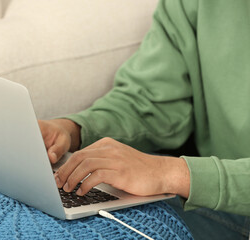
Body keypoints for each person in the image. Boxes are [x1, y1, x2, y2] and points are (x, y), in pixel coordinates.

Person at [38, 0, 250, 239]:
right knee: (34, 208)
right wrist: (73, 130)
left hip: (224, 200)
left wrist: (172, 174)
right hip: (206, 195)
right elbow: (150, 100)